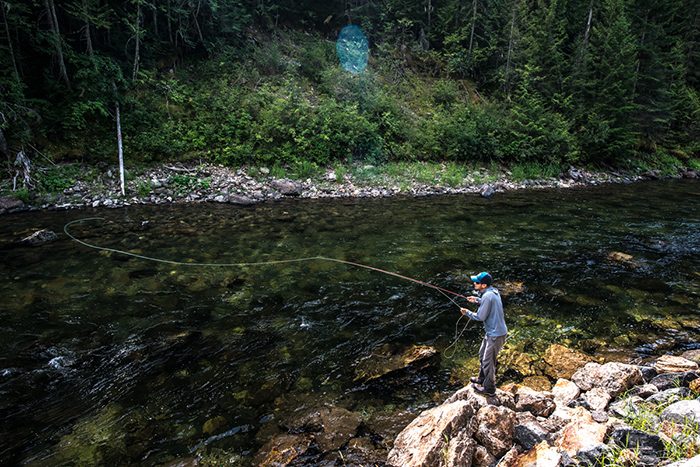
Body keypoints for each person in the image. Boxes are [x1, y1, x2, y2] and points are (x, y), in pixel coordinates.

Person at [460, 272, 507, 396]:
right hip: (492, 332)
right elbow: (489, 303)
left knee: (488, 361)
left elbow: (480, 316)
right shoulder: (493, 292)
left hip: (496, 334)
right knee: (482, 355)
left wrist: (467, 313)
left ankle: (489, 388)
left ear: (484, 285)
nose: (474, 283)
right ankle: (481, 379)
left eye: (477, 282)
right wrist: (477, 300)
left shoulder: (488, 296)